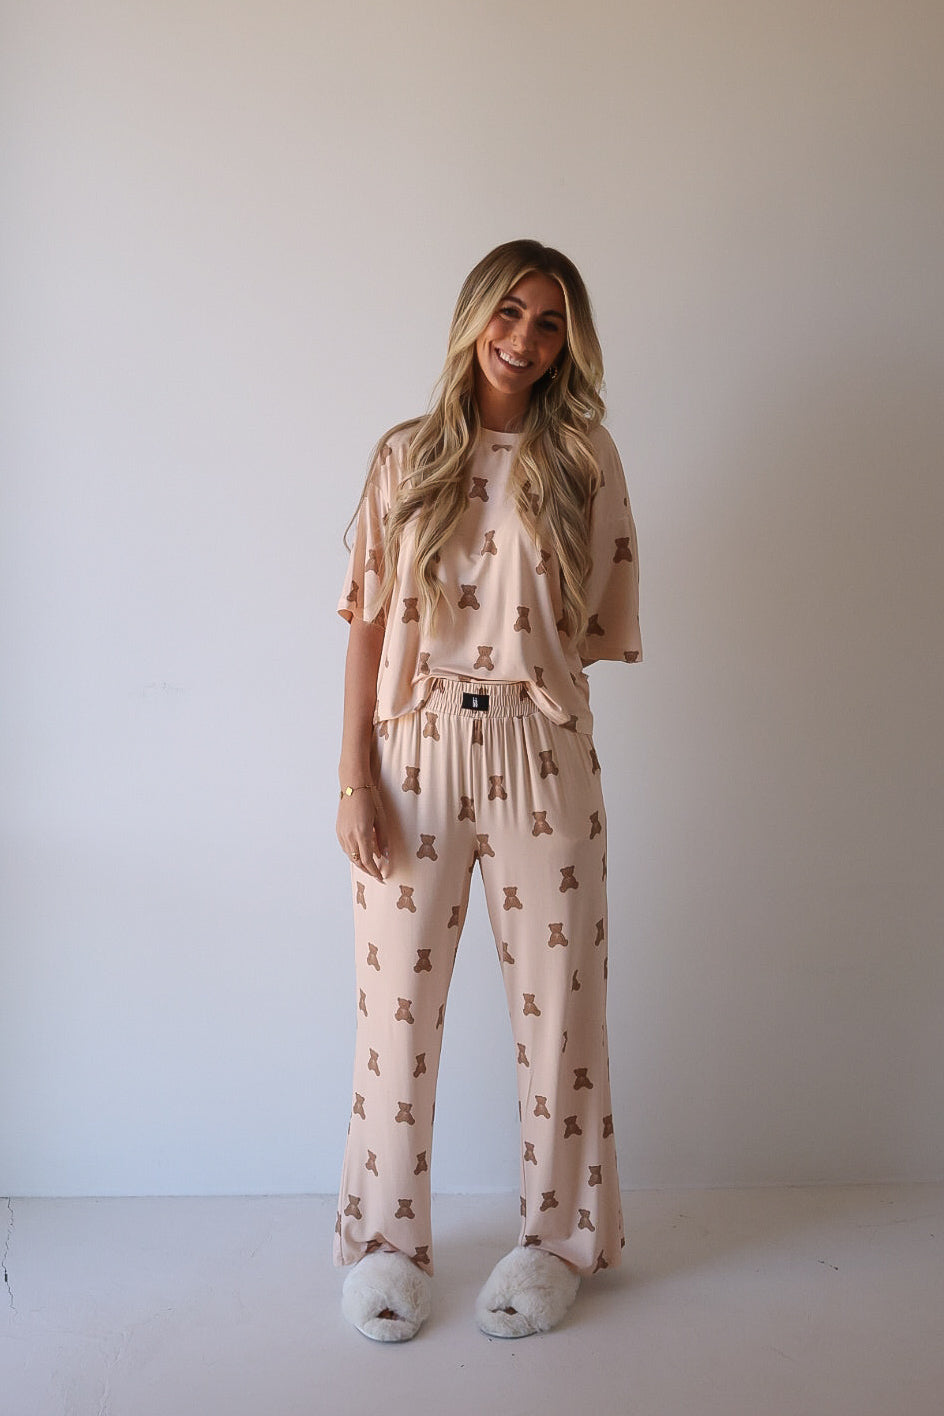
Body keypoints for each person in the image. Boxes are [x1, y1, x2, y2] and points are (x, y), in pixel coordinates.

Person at [333, 239, 642, 1341]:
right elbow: (367, 620)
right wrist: (351, 777)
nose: (523, 338)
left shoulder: (585, 458)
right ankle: (384, 1244)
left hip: (539, 753)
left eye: (549, 321)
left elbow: (590, 631)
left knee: (560, 1007)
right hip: (412, 750)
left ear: (569, 342)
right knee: (394, 1011)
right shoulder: (403, 456)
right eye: (507, 312)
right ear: (472, 318)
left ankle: (555, 1242)